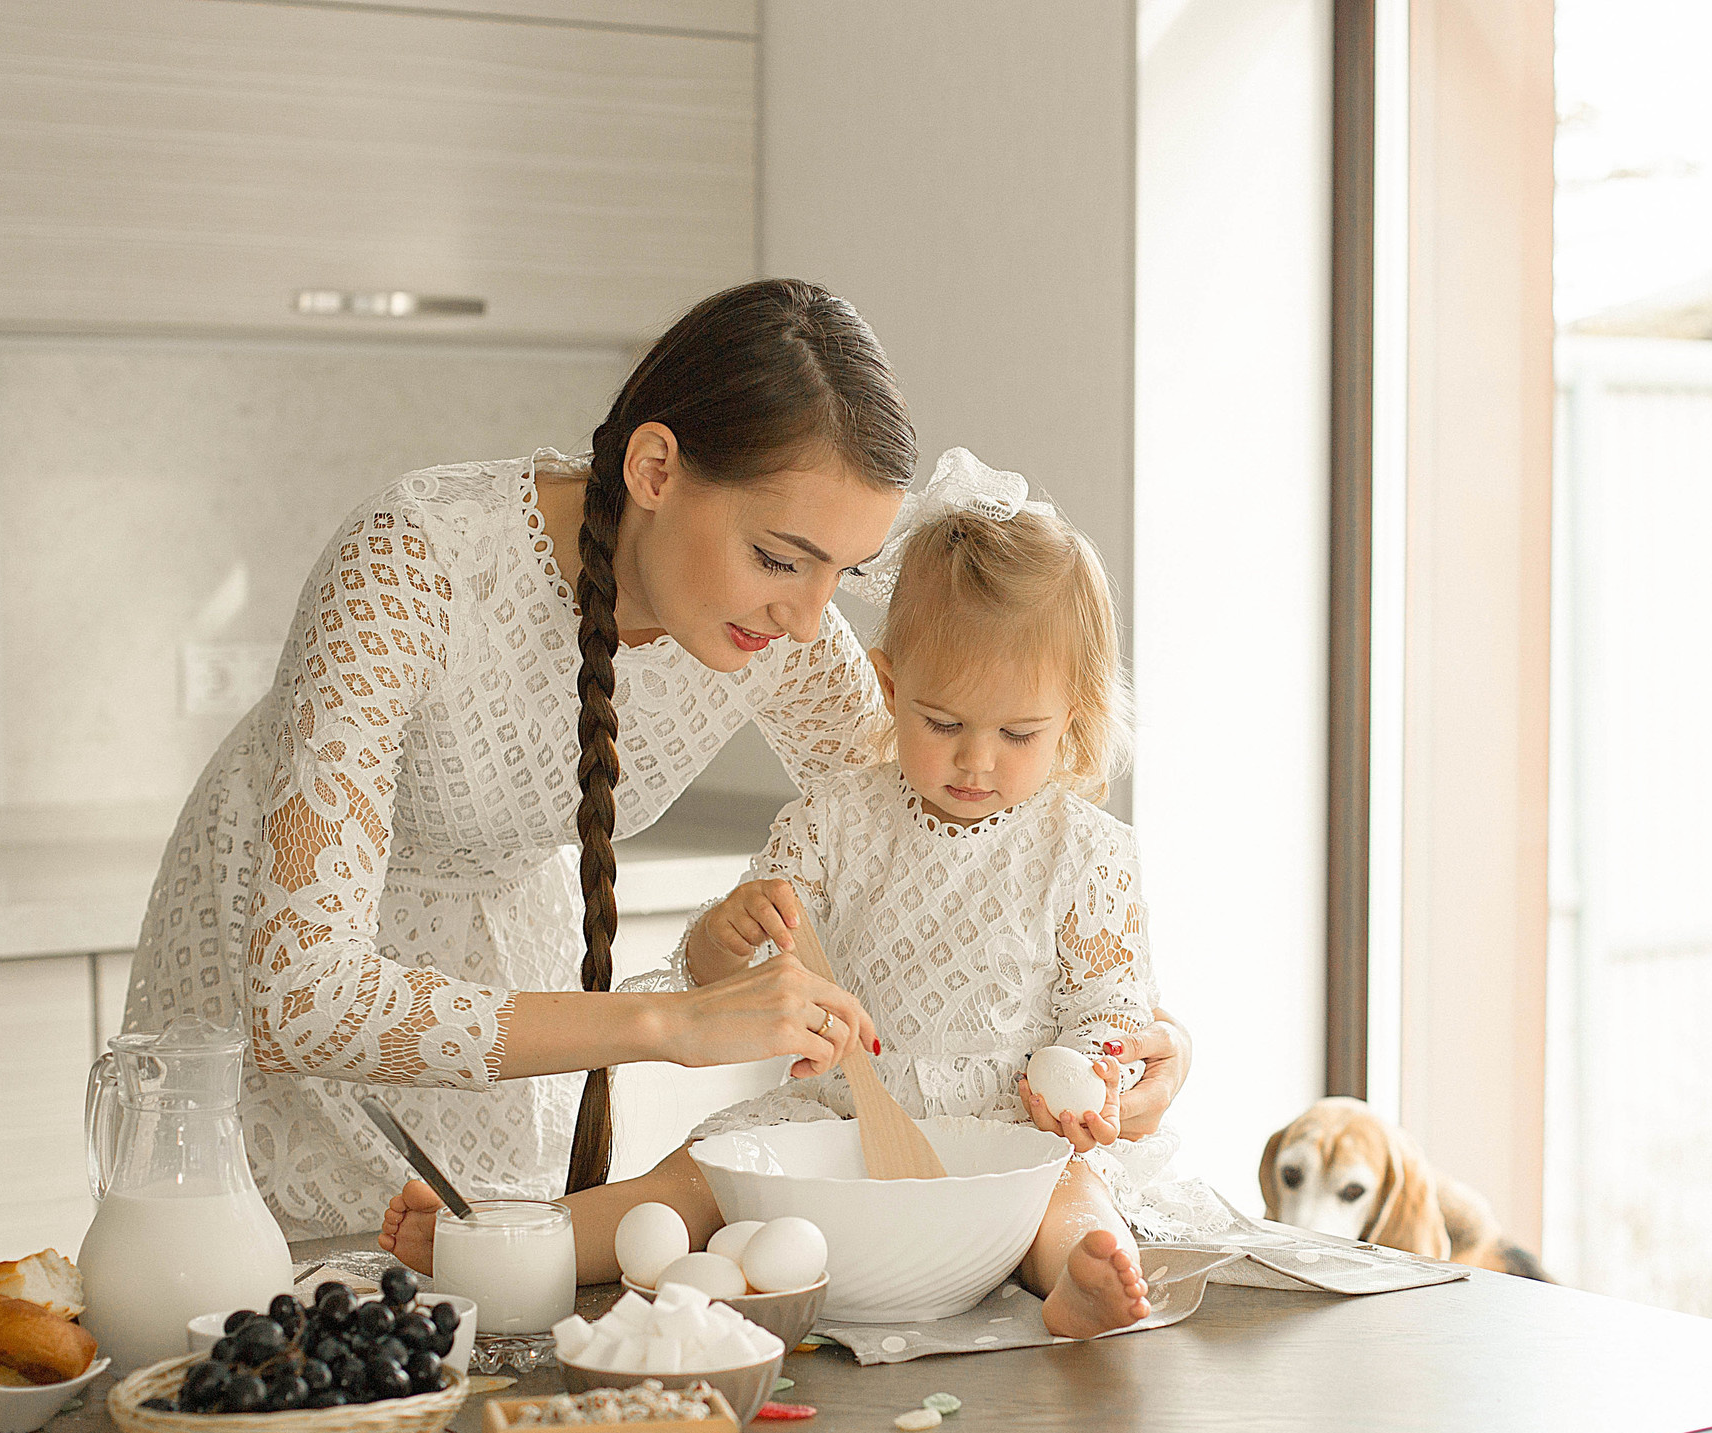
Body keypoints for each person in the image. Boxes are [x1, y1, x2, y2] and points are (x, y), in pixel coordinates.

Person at [124, 280, 1191, 1238]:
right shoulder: (410, 564)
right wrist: (671, 1021)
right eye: (778, 558)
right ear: (653, 469)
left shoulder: (784, 632)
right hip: (281, 959)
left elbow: (959, 846)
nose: (809, 617)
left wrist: (1129, 1040)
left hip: (502, 972)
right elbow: (304, 996)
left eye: (843, 573)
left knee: (489, 1281)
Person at [384, 453, 1171, 1338]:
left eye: (1018, 733)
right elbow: (735, 978)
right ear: (889, 687)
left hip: (1008, 1133)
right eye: (942, 722)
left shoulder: (1088, 852)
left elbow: (1110, 1004)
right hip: (838, 1122)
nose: (975, 760)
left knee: (1073, 1192)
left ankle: (1085, 1277)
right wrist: (726, 936)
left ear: (1072, 718)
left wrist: (1091, 1076)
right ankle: (505, 1239)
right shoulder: (835, 818)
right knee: (689, 1183)